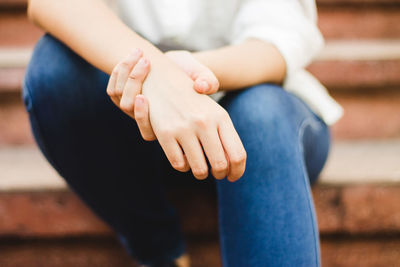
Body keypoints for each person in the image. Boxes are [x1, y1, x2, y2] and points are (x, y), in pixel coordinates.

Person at [23, 0, 343, 266]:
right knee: (54, 67)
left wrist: (179, 77)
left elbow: (276, 45)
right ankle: (161, 252)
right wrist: (156, 76)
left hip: (263, 115)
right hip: (137, 127)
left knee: (260, 113)